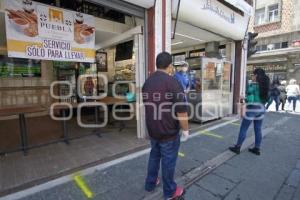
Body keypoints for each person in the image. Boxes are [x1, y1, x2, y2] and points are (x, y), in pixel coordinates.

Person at [143, 52, 189, 200]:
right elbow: (182, 111)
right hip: (168, 131)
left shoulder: (147, 82)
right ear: (170, 66)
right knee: (168, 161)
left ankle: (150, 183)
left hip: (153, 130)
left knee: (154, 156)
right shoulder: (173, 83)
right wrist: (186, 130)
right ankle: (169, 192)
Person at [229, 68, 270, 156]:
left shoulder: (253, 85)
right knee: (258, 129)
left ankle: (237, 147)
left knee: (244, 128)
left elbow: (250, 99)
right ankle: (257, 148)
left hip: (252, 109)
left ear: (256, 75)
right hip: (262, 109)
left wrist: (243, 98)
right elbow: (269, 99)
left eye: (253, 75)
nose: (252, 77)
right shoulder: (265, 86)